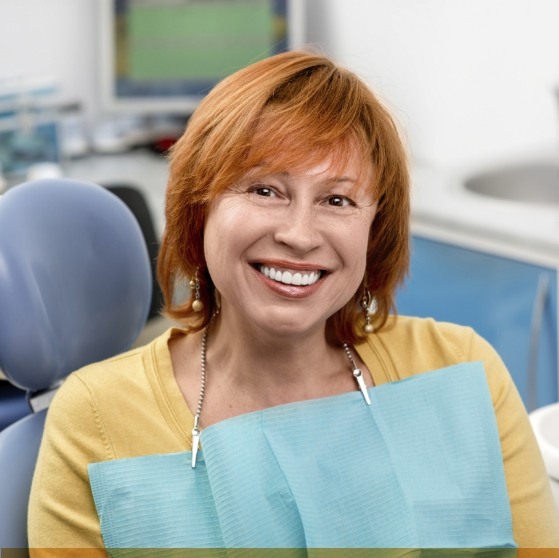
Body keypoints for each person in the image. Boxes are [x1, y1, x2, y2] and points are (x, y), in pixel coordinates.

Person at [28, 50, 559, 555]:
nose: (301, 235)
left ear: (374, 233)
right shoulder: (95, 420)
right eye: (264, 189)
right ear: (199, 210)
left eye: (337, 200)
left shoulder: (463, 371)